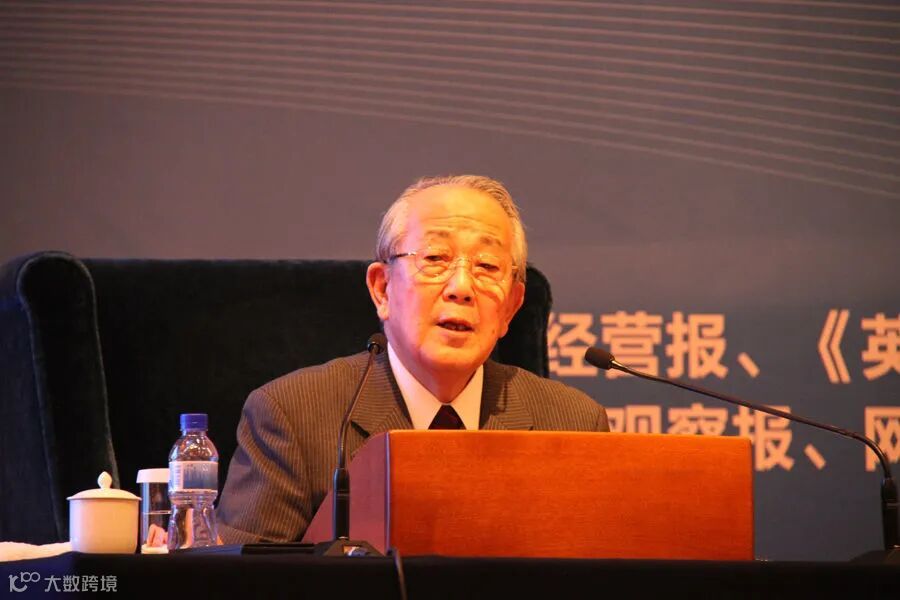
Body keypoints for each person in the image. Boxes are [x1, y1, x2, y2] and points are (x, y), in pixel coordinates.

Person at [215, 175, 609, 543]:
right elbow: (245, 581)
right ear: (382, 289)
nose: (461, 287)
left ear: (511, 307)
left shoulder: (573, 424)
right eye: (435, 258)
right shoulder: (293, 416)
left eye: (487, 266)